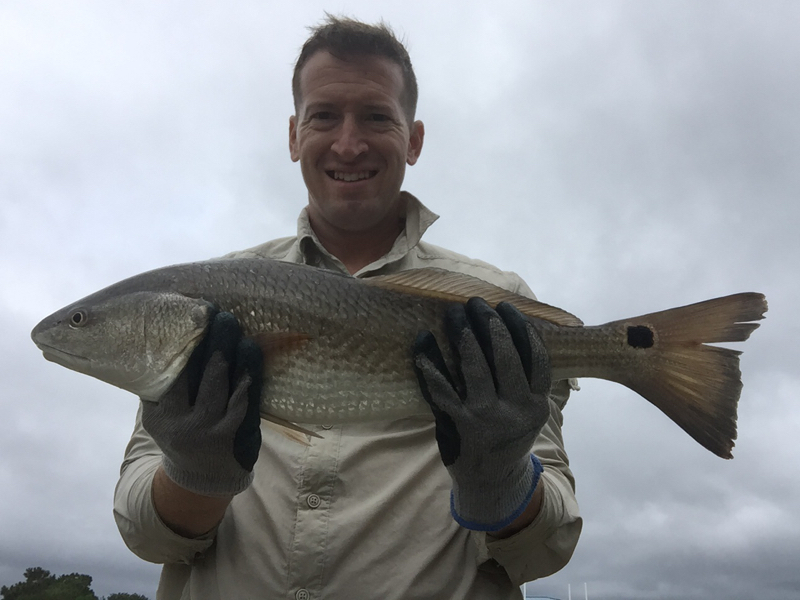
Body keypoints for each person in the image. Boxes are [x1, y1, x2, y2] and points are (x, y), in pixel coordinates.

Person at [114, 16, 582, 600]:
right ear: (294, 136)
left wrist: (501, 477)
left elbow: (545, 549)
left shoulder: (495, 302)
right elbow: (145, 534)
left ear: (414, 140)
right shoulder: (210, 305)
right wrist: (195, 470)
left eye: (377, 117)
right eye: (324, 116)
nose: (349, 143)